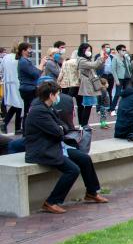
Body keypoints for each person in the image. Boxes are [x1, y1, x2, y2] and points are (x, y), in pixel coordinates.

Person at [24, 80, 108, 214]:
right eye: (57, 94)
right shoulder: (39, 110)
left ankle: (92, 192)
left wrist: (60, 128)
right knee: (73, 170)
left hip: (55, 145)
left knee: (84, 159)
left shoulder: (47, 107)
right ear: (51, 95)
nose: (59, 96)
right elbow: (58, 131)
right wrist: (60, 129)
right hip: (43, 150)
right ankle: (51, 202)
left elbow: (62, 127)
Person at [17, 42, 46, 132]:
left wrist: (40, 68)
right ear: (23, 51)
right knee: (29, 111)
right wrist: (41, 64)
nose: (31, 51)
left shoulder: (25, 61)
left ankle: (28, 130)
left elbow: (36, 73)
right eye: (29, 49)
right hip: (28, 89)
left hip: (29, 88)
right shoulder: (24, 62)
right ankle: (27, 131)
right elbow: (36, 74)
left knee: (29, 110)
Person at [77, 43, 107, 128]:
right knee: (87, 106)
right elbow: (94, 65)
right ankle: (83, 124)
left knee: (89, 106)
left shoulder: (86, 60)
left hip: (90, 83)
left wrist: (103, 59)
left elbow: (97, 66)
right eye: (88, 50)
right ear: (82, 50)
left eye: (90, 50)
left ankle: (84, 124)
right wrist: (101, 57)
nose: (89, 52)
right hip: (87, 85)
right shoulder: (81, 60)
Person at [109, 44, 132, 114]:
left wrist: (131, 63)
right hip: (120, 78)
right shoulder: (115, 58)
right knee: (118, 94)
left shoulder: (126, 58)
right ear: (118, 51)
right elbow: (113, 70)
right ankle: (112, 109)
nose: (124, 51)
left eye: (125, 50)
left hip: (127, 78)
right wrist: (116, 80)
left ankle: (125, 108)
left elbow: (129, 68)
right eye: (123, 50)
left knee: (127, 93)